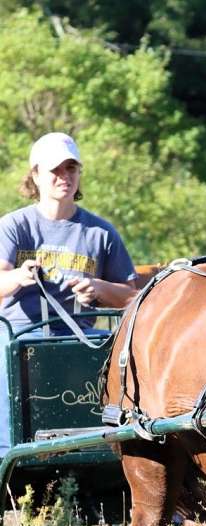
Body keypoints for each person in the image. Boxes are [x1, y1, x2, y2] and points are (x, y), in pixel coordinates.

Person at [0, 131, 138, 456]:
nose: (64, 177)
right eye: (55, 170)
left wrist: (100, 288)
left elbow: (133, 299)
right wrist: (20, 276)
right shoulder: (14, 227)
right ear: (35, 175)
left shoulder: (100, 233)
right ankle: (8, 455)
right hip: (18, 334)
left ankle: (108, 452)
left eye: (71, 169)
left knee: (116, 358)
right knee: (5, 356)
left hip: (78, 337)